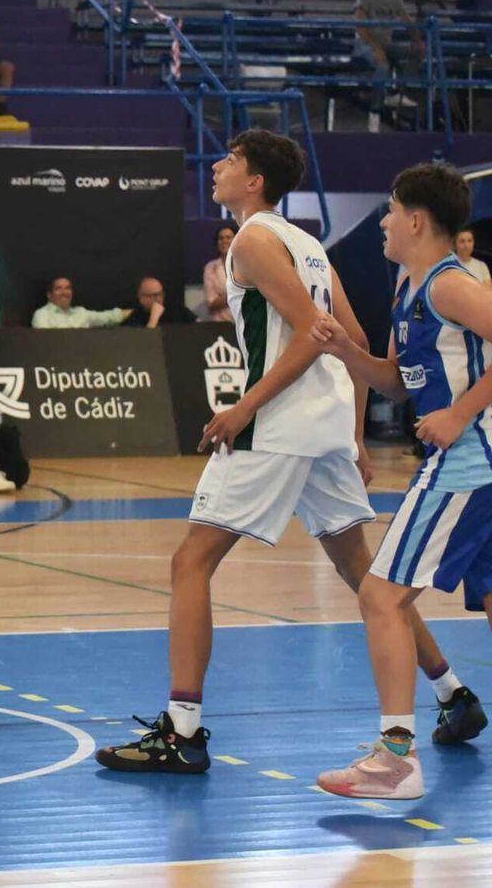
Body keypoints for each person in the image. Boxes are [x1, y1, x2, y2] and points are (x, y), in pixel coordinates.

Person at [95, 132, 478, 776]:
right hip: (323, 426)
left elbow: (315, 334)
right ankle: (452, 693)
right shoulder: (309, 246)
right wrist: (352, 434)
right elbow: (353, 345)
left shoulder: (250, 240)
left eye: (230, 161)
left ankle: (182, 731)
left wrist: (245, 407)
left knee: (191, 562)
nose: (216, 166)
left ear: (254, 182)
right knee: (367, 576)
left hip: (276, 425)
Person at [309, 163, 491, 799]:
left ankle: (396, 759)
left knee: (381, 596)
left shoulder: (451, 287)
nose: (382, 221)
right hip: (479, 466)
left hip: (468, 466)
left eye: (388, 210)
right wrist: (342, 350)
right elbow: (395, 380)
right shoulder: (407, 290)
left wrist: (460, 413)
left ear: (416, 219)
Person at [355, 0, 422, 133]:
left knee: (415, 52)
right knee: (383, 65)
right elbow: (360, 27)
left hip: (387, 44)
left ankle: (398, 92)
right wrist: (375, 48)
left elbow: (408, 21)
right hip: (365, 44)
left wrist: (417, 41)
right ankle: (375, 112)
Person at [31, 276, 132, 328]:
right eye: (58, 288)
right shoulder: (42, 314)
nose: (64, 292)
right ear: (50, 295)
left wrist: (138, 311)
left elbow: (109, 317)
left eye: (68, 288)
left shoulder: (81, 313)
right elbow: (44, 343)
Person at [124, 276, 197, 328]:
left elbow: (199, 324)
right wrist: (153, 319)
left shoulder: (176, 308)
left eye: (160, 294)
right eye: (153, 295)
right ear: (141, 298)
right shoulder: (135, 318)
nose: (158, 299)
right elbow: (142, 344)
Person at [202, 223, 236, 321]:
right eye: (221, 238)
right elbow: (211, 304)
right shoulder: (210, 268)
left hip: (246, 323)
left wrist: (222, 297)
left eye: (228, 237)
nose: (224, 241)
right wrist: (236, 292)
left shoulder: (246, 265)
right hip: (221, 324)